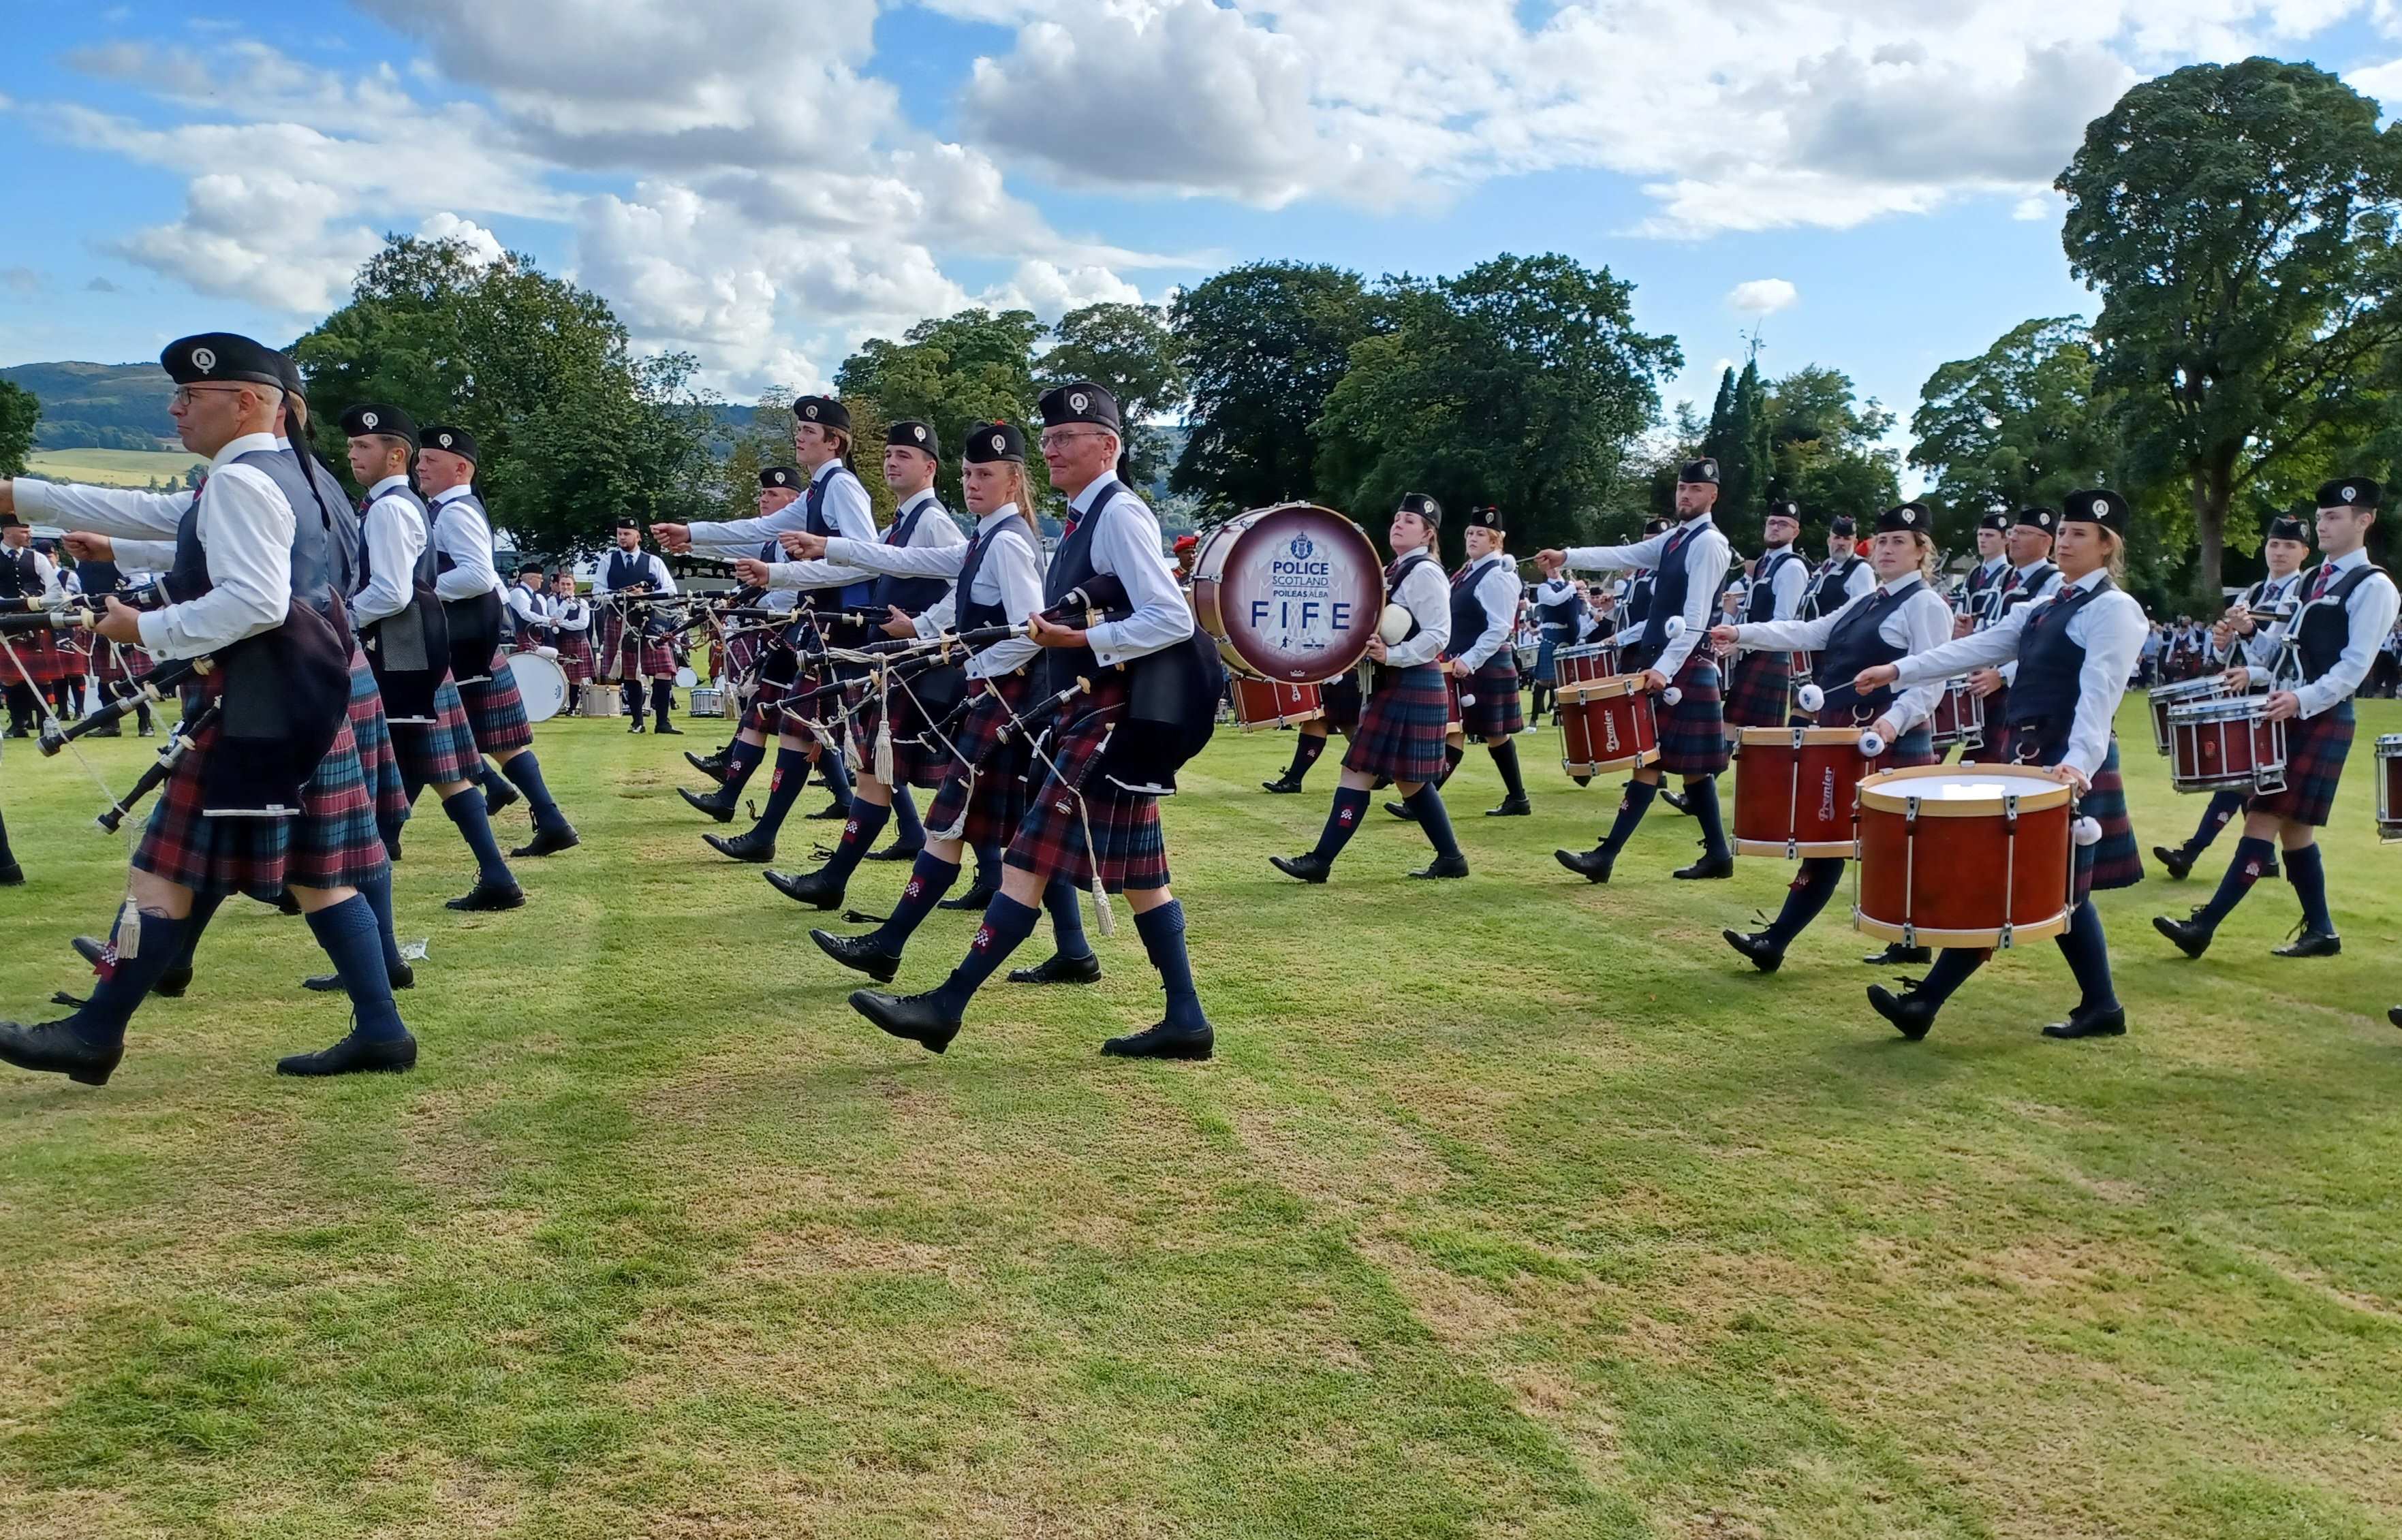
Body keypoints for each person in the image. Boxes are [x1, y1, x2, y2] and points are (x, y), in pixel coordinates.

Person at [0, 333, 414, 1081]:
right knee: (316, 872)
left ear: (248, 402)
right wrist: (36, 500)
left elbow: (255, 597)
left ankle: (95, 1032)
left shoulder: (241, 481)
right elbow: (209, 539)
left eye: (191, 397)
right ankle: (381, 1028)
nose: (175, 408)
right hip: (307, 686)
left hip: (265, 693)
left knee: (165, 869)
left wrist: (144, 627)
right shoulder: (303, 476)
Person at [848, 381, 1214, 1061]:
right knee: (1136, 878)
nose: (1051, 448)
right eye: (1046, 439)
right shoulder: (1084, 517)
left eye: (1065, 438)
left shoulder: (1118, 513)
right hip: (1094, 712)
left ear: (1107, 445)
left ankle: (946, 1005)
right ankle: (1185, 1018)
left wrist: (1080, 642)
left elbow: (1172, 616)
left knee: (1027, 863)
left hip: (1107, 718)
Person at [806, 423, 1100, 984]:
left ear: (1015, 481)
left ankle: (888, 945)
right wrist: (922, 629)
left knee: (949, 828)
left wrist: (968, 648)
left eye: (985, 474)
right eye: (967, 473)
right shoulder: (983, 538)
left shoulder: (1009, 542)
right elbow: (925, 572)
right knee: (1028, 831)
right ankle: (1075, 950)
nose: (971, 483)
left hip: (1005, 698)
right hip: (992, 694)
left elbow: (1029, 629)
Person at [1851, 488, 2148, 1042]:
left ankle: (1930, 1002)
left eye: (2079, 534)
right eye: (2062, 531)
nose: (2064, 541)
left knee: (2032, 884)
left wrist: (2077, 764)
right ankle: (2099, 1005)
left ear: (2108, 546)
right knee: (2027, 883)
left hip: (2065, 761)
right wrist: (1898, 671)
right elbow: (1977, 648)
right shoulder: (2048, 603)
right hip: (2027, 756)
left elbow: (2100, 693)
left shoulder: (2114, 610)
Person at [2154, 480, 2399, 962]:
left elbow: (2355, 667)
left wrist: (2300, 699)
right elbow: (2279, 652)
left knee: (2264, 816)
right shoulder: (2311, 582)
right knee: (2295, 830)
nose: (2324, 525)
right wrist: (2248, 637)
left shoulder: (2375, 586)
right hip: (2289, 711)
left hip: (2320, 715)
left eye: (2334, 517)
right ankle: (2323, 930)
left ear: (2364, 520)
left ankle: (2203, 926)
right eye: (2322, 515)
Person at [1711, 503, 1952, 972]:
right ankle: (1778, 942)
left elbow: (1931, 679)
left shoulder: (1925, 604)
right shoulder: (1869, 600)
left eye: (1899, 541)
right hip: (1846, 733)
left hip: (1885, 734)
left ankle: (1786, 941)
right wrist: (1741, 631)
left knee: (1887, 843)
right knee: (1832, 841)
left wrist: (1891, 723)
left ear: (1922, 551)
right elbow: (1809, 630)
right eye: (1881, 541)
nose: (1885, 549)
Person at [743, 420, 966, 912]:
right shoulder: (900, 524)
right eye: (889, 453)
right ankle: (833, 878)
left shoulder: (933, 521)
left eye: (904, 455)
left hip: (920, 668)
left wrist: (923, 626)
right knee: (877, 776)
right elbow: (860, 559)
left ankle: (834, 878)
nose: (891, 461)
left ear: (930, 467)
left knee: (971, 784)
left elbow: (964, 583)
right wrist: (776, 572)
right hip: (894, 665)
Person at [654, 397, 871, 860]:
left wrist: (784, 575)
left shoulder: (842, 488)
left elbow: (863, 557)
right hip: (822, 621)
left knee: (862, 746)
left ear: (835, 441)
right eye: (800, 429)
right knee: (800, 731)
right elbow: (761, 527)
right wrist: (691, 533)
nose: (800, 436)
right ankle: (763, 834)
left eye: (810, 431)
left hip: (839, 625)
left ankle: (770, 834)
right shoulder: (818, 491)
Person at [338, 403, 523, 914]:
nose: (352, 453)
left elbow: (393, 593)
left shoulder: (393, 508)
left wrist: (344, 616)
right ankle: (494, 875)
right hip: (407, 651)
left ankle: (348, 880)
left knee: (395, 767)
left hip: (397, 652)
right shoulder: (396, 504)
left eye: (362, 446)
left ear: (395, 453)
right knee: (441, 770)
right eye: (352, 445)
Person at [1540, 458, 1735, 883]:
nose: (1686, 495)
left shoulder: (1708, 543)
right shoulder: (1675, 540)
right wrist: (1567, 555)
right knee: (1676, 765)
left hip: (1683, 664)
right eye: (1683, 487)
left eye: (1696, 489)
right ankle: (1716, 854)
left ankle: (1607, 856)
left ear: (1713, 495)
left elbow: (1697, 616)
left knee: (1653, 762)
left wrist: (1664, 667)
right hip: (1668, 663)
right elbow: (1623, 553)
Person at [1270, 493, 1469, 885]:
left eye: (1409, 521)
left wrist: (1391, 655)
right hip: (1398, 681)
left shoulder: (1425, 573)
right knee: (1412, 781)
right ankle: (1451, 858)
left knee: (1356, 770)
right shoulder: (1395, 568)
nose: (1398, 524)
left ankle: (1320, 861)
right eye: (1397, 518)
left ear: (1428, 533)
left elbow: (1438, 634)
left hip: (1411, 679)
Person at [420, 425, 581, 858]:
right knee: (491, 740)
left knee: (426, 736)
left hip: (462, 640)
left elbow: (477, 574)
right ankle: (547, 818)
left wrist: (417, 589)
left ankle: (384, 836)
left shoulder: (454, 512)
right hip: (468, 639)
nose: (420, 466)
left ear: (461, 468)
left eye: (430, 460)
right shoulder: (448, 509)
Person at [2154, 514, 2311, 881]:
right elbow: (2232, 650)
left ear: (2304, 552)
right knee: (2245, 778)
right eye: (2274, 544)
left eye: (2289, 546)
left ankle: (2190, 853)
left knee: (2239, 781)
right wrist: (2224, 647)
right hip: (2243, 695)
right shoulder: (2252, 593)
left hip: (2278, 696)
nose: (2280, 552)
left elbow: (2289, 657)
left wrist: (2250, 670)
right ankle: (2262, 859)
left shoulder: (2302, 594)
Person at [1390, 505, 1526, 819]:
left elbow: (1500, 628)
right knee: (1459, 730)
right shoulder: (1469, 571)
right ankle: (1426, 799)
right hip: (1462, 662)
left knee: (1490, 733)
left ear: (1495, 542)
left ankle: (1517, 797)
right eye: (1470, 533)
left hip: (1486, 663)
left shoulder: (1497, 575)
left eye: (1481, 534)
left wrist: (1470, 660)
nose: (1472, 538)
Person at [1722, 500, 1810, 740]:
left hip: (1771, 657)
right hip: (1752, 655)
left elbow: (1783, 621)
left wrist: (1740, 642)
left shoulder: (1792, 567)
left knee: (1756, 741)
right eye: (1771, 523)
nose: (1775, 528)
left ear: (1796, 532)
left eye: (1783, 524)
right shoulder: (1763, 564)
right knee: (1730, 732)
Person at [591, 519, 681, 734]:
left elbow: (670, 591)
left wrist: (647, 595)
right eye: (619, 534)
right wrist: (620, 595)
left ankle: (663, 723)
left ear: (638, 536)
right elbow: (597, 592)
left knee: (663, 671)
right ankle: (637, 722)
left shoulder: (653, 562)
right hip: (620, 620)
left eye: (627, 534)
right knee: (630, 673)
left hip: (651, 621)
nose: (622, 538)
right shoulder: (607, 561)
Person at [0, 520, 65, 735]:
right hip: (5, 624)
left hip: (35, 623)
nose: (30, 535)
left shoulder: (37, 558)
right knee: (10, 677)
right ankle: (19, 724)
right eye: (25, 531)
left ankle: (47, 722)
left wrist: (37, 603)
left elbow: (56, 592)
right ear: (7, 531)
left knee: (42, 676)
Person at [1527, 565, 1581, 725]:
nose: (1553, 569)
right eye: (1549, 567)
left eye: (1555, 566)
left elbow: (1580, 612)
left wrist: (1581, 599)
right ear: (1545, 570)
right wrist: (1573, 587)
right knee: (1544, 680)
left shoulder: (1569, 586)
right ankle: (1534, 719)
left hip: (1568, 633)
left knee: (1563, 680)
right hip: (1551, 633)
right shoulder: (1544, 588)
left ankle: (1559, 717)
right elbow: (1554, 600)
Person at [1953, 511, 2011, 635]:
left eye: (1989, 535)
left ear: (2006, 539)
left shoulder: (2010, 576)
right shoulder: (1974, 573)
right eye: (1980, 534)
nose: (1982, 540)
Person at [548, 569, 594, 704]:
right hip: (558, 641)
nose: (565, 587)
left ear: (574, 586)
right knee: (558, 674)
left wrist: (562, 623)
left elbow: (582, 624)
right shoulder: (553, 600)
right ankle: (558, 704)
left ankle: (572, 707)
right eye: (563, 584)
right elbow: (555, 617)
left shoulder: (583, 602)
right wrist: (566, 603)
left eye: (568, 584)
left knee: (576, 677)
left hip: (578, 640)